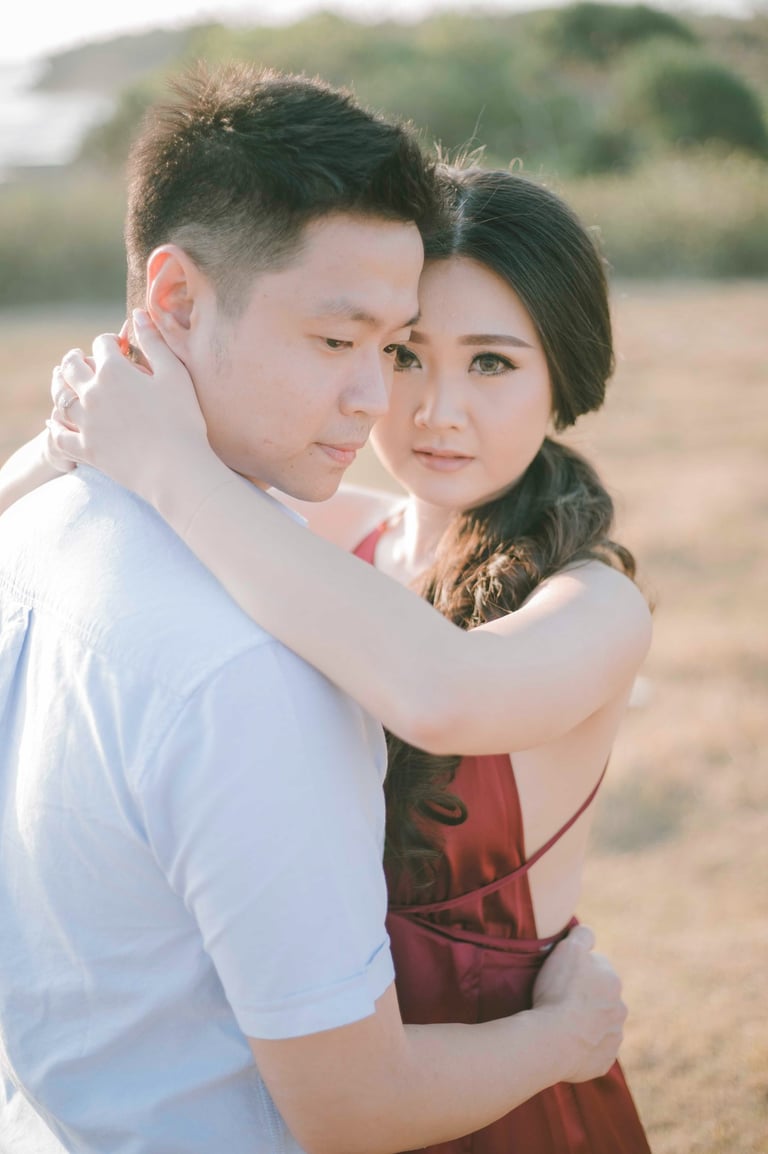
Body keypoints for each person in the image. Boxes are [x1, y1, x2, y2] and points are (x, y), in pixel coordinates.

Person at [0, 67, 628, 1154]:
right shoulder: (334, 543)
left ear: (561, 374)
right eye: (393, 349)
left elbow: (442, 688)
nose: (417, 406)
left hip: (497, 1085)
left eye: (491, 363)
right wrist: (75, 436)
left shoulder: (599, 601)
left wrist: (166, 459)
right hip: (341, 1056)